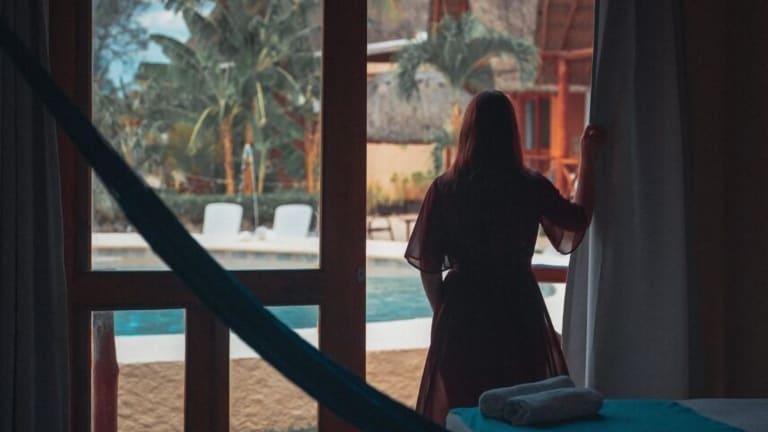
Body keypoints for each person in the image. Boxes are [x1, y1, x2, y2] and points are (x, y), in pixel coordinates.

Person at [405, 90, 601, 425]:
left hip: (462, 316)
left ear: (468, 133)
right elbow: (576, 221)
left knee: (466, 414)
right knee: (520, 413)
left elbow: (429, 267)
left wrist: (445, 311)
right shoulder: (529, 186)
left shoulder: (445, 189)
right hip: (518, 310)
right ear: (512, 132)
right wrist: (588, 158)